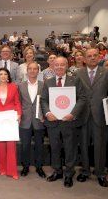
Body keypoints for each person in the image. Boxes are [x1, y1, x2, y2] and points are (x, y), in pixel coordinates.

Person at [41, 57, 86, 188]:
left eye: (62, 65)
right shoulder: (48, 82)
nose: (59, 67)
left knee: (69, 148)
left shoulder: (75, 80)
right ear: (53, 66)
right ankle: (58, 171)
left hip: (69, 121)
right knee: (54, 147)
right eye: (57, 65)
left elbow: (82, 98)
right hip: (53, 121)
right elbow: (43, 100)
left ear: (67, 66)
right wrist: (48, 113)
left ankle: (68, 174)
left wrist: (73, 114)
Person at [76, 48, 108, 187]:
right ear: (84, 59)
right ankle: (85, 171)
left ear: (99, 57)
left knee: (100, 145)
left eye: (95, 55)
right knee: (84, 144)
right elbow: (74, 95)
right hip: (83, 115)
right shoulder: (78, 73)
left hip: (101, 115)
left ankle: (100, 173)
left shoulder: (107, 73)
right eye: (89, 56)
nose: (92, 58)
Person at [0, 68, 21, 180]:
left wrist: (19, 115)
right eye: (1, 74)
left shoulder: (14, 87)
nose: (3, 76)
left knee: (11, 144)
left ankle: (12, 171)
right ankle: (2, 168)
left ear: (8, 76)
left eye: (5, 74)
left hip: (11, 117)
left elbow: (17, 102)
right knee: (0, 145)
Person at [18, 62, 46, 178]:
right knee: (25, 145)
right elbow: (18, 102)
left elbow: (46, 101)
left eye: (35, 69)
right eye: (30, 69)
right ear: (27, 71)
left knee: (39, 145)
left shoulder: (44, 85)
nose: (33, 71)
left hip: (40, 120)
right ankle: (25, 166)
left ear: (38, 71)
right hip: (25, 119)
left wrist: (45, 114)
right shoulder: (20, 85)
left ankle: (39, 167)